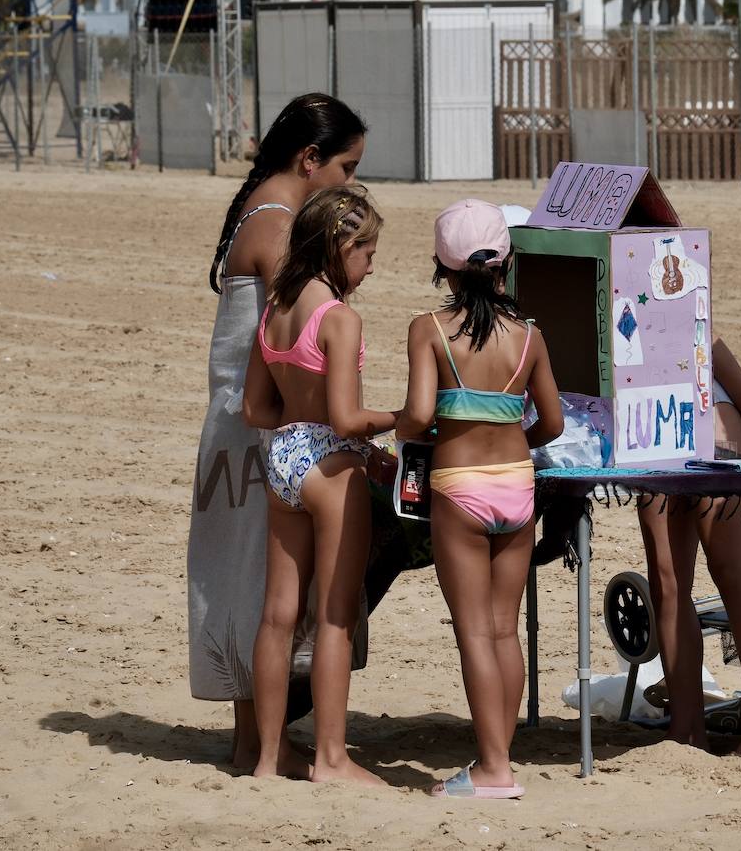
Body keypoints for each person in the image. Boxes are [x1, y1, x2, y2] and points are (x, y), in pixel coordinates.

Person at [186, 93, 367, 773]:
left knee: (257, 585)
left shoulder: (261, 208)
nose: (350, 182)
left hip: (252, 425)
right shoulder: (282, 225)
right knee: (268, 590)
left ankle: (256, 745)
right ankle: (270, 743)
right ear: (309, 158)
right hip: (261, 431)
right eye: (345, 168)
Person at [398, 199, 563, 800]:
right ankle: (500, 755)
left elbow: (418, 414)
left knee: (472, 633)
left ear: (442, 268)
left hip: (459, 487)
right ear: (506, 262)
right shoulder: (531, 337)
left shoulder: (429, 329)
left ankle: (494, 768)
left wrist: (406, 432)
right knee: (503, 630)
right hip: (517, 486)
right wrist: (514, 433)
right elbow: (554, 423)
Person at [242, 185, 395, 785]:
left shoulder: (276, 309)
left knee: (277, 616)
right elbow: (348, 419)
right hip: (332, 465)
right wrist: (405, 420)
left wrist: (297, 423)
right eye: (367, 252)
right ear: (340, 246)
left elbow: (256, 407)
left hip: (282, 459)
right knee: (334, 616)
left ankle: (267, 756)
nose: (371, 265)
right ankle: (331, 758)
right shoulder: (339, 319)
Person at [635, 338, 741, 759]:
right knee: (667, 581)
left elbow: (704, 334)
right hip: (646, 416)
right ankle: (686, 727)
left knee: (730, 568)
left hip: (709, 413)